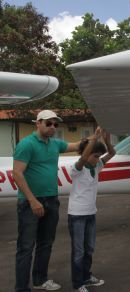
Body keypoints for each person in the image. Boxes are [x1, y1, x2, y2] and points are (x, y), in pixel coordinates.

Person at [13, 110, 81, 292]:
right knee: (26, 247)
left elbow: (75, 145)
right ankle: (21, 288)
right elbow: (17, 174)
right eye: (48, 123)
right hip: (30, 203)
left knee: (46, 243)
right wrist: (33, 201)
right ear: (38, 123)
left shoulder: (55, 144)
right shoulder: (26, 144)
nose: (52, 127)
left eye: (55, 124)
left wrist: (95, 138)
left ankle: (39, 280)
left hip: (51, 200)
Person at [68, 127, 115, 292]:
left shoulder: (97, 166)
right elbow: (82, 158)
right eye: (95, 156)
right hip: (77, 216)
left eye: (98, 157)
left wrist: (107, 141)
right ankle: (78, 284)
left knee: (89, 248)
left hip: (90, 214)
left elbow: (112, 153)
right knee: (79, 251)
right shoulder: (77, 169)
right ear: (87, 154)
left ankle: (86, 277)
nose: (98, 159)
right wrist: (94, 138)